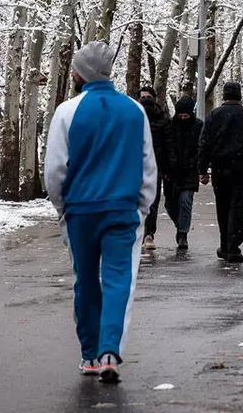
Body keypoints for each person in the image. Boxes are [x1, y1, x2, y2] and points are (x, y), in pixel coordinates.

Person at [45, 42, 157, 383]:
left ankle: (90, 355)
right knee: (118, 279)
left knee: (86, 281)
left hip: (81, 210)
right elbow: (147, 165)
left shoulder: (67, 111)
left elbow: (54, 170)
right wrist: (143, 205)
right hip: (122, 209)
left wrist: (62, 206)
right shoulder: (135, 111)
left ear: (81, 73)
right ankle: (111, 350)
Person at [199, 81, 243, 263]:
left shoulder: (214, 115)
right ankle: (233, 247)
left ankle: (224, 244)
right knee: (237, 207)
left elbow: (204, 143)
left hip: (220, 168)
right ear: (239, 96)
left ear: (224, 95)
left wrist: (203, 169)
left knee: (222, 207)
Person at [137, 86, 172, 252]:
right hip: (134, 166)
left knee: (152, 201)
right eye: (142, 97)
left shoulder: (162, 119)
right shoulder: (133, 117)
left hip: (155, 166)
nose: (145, 100)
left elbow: (168, 144)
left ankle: (149, 234)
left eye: (148, 97)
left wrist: (167, 167)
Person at [165, 96, 202, 250]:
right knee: (170, 204)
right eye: (181, 116)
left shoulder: (199, 126)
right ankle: (180, 225)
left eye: (186, 116)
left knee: (186, 202)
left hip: (190, 171)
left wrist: (195, 162)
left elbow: (201, 146)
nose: (183, 118)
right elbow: (167, 145)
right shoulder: (170, 126)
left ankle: (182, 233)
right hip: (172, 171)